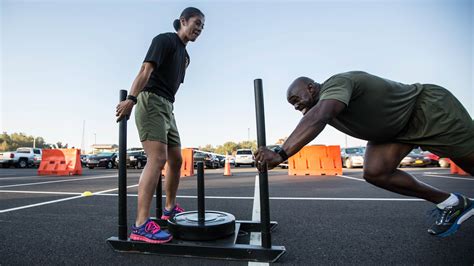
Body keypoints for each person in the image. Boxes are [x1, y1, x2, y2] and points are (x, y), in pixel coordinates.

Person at [255, 71, 473, 237]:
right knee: (376, 172)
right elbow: (314, 119)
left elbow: (320, 116)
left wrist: (281, 153)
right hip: (394, 133)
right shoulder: (321, 107)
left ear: (311, 88)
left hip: (425, 109)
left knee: (470, 160)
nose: (295, 106)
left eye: (295, 99)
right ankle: (451, 203)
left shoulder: (335, 84)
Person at [115, 7, 205, 243]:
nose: (199, 29)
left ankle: (169, 208)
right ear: (183, 21)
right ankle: (141, 226)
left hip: (168, 107)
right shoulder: (164, 40)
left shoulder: (185, 56)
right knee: (157, 159)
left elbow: (174, 83)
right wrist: (131, 100)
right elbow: (145, 70)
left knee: (176, 159)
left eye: (202, 27)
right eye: (197, 23)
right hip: (150, 100)